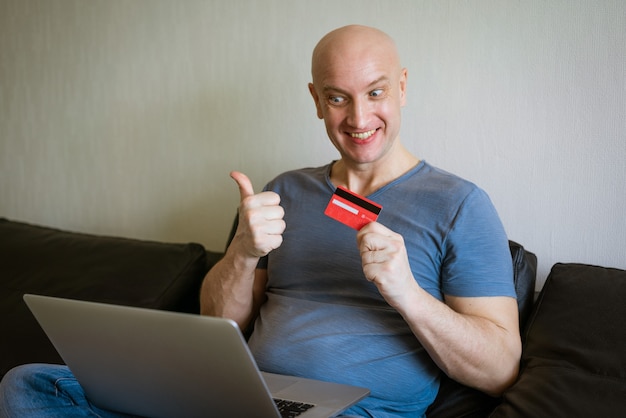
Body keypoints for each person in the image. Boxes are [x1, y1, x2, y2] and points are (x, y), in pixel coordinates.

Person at [0, 25, 520, 418]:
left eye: (376, 92)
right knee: (28, 384)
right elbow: (217, 324)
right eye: (338, 97)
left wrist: (408, 293)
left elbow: (499, 372)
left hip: (357, 412)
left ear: (402, 87)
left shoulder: (460, 204)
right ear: (316, 100)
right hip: (241, 396)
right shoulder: (285, 190)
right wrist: (243, 252)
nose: (359, 119)